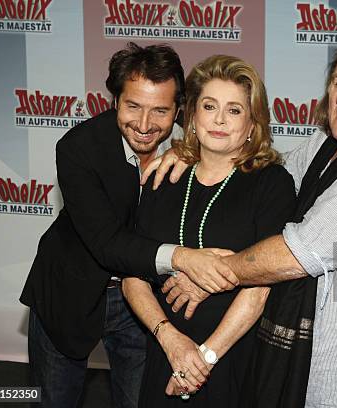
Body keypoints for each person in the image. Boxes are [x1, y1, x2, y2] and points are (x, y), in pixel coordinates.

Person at [145, 38, 337, 407]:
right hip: (331, 369)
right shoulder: (324, 145)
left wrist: (207, 273)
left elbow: (296, 253)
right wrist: (190, 152)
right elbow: (258, 176)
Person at [19, 43, 203, 408]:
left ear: (179, 108)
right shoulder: (78, 148)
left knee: (139, 401)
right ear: (115, 100)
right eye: (133, 106)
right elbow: (107, 243)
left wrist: (191, 150)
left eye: (161, 110)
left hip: (144, 298)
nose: (145, 125)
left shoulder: (195, 144)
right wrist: (183, 259)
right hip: (69, 291)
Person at [122, 54, 295, 406]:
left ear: (251, 125)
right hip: (165, 353)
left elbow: (260, 287)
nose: (219, 119)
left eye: (234, 110)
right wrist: (170, 340)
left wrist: (203, 359)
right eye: (209, 106)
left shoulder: (271, 182)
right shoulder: (163, 177)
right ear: (193, 116)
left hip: (231, 358)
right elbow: (132, 275)